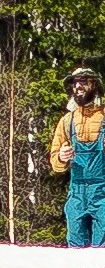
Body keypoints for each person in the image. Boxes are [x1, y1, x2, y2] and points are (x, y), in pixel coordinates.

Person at [54, 65, 105, 246]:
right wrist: (61, 157)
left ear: (95, 85)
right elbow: (55, 162)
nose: (77, 87)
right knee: (75, 249)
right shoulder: (67, 121)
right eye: (74, 83)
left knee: (102, 251)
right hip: (76, 193)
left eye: (83, 82)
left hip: (103, 194)